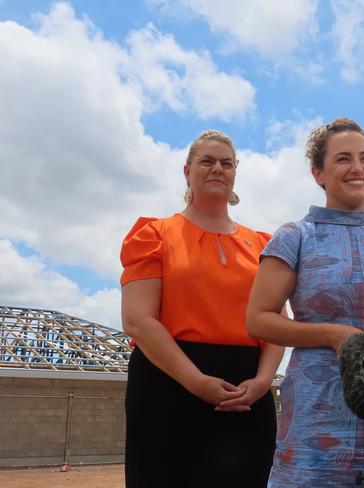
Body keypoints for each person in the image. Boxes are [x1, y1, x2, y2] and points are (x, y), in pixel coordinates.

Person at [247, 118, 364, 487]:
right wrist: (332, 335)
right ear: (319, 172)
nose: (358, 168)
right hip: (315, 416)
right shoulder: (294, 237)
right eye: (343, 159)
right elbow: (258, 319)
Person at [119, 130, 284, 487]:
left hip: (246, 391)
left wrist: (263, 381)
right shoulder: (155, 235)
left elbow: (276, 321)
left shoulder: (263, 245)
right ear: (187, 171)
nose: (217, 169)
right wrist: (195, 381)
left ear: (235, 172)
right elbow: (137, 320)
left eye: (226, 163)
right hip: (168, 384)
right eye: (207, 161)